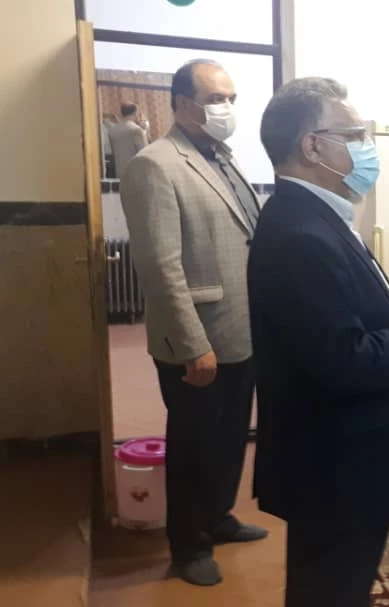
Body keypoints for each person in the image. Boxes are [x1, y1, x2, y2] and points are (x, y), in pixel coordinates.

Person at [248, 77, 389, 607]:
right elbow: (344, 361)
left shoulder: (317, 216)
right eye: (354, 134)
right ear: (312, 146)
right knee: (330, 591)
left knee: (336, 587)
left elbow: (334, 324)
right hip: (337, 470)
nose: (367, 147)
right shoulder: (300, 235)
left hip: (342, 463)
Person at [120, 59, 265, 587]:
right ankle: (188, 545)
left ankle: (219, 517)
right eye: (214, 99)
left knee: (229, 439)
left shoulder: (223, 157)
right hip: (197, 338)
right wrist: (191, 345)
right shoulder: (156, 164)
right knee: (194, 445)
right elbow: (160, 266)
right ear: (182, 102)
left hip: (241, 329)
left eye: (231, 98)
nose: (226, 108)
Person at [110, 102, 149, 178]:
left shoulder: (113, 131)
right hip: (135, 174)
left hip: (119, 172)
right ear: (135, 113)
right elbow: (144, 152)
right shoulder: (136, 130)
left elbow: (113, 154)